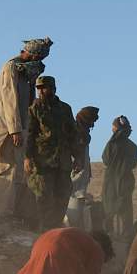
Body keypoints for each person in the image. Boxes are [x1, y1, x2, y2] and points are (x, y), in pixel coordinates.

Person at [0, 37, 53, 225]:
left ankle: (9, 214)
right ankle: (4, 215)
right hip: (4, 128)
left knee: (17, 172)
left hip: (16, 127)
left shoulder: (24, 71)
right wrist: (15, 131)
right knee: (7, 170)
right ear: (32, 54)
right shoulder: (11, 68)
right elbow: (10, 100)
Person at [25, 75, 80, 232]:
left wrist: (78, 157)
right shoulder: (34, 109)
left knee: (62, 196)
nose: (41, 91)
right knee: (43, 197)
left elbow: (73, 134)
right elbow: (29, 134)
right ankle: (45, 231)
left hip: (63, 161)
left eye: (44, 88)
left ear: (53, 89)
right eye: (39, 88)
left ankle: (55, 228)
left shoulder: (65, 109)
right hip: (43, 161)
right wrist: (27, 157)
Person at [102, 115, 137, 237]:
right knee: (126, 208)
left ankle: (109, 234)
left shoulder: (112, 144)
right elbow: (134, 164)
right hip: (126, 180)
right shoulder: (133, 146)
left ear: (116, 129)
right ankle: (126, 236)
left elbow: (105, 159)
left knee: (109, 207)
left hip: (112, 181)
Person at [71, 106, 99, 196]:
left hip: (81, 176)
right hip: (75, 175)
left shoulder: (83, 134)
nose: (92, 125)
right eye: (91, 121)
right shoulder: (74, 132)